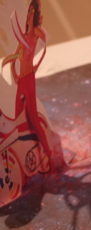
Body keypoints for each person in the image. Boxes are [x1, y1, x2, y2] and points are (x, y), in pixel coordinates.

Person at [2, 0, 63, 171]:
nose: (28, 15)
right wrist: (12, 68)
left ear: (34, 14)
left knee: (33, 119)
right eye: (28, 12)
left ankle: (51, 158)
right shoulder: (23, 33)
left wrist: (35, 66)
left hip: (28, 79)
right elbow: (17, 56)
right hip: (21, 79)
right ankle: (32, 156)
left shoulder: (36, 32)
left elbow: (42, 48)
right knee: (20, 116)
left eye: (31, 12)